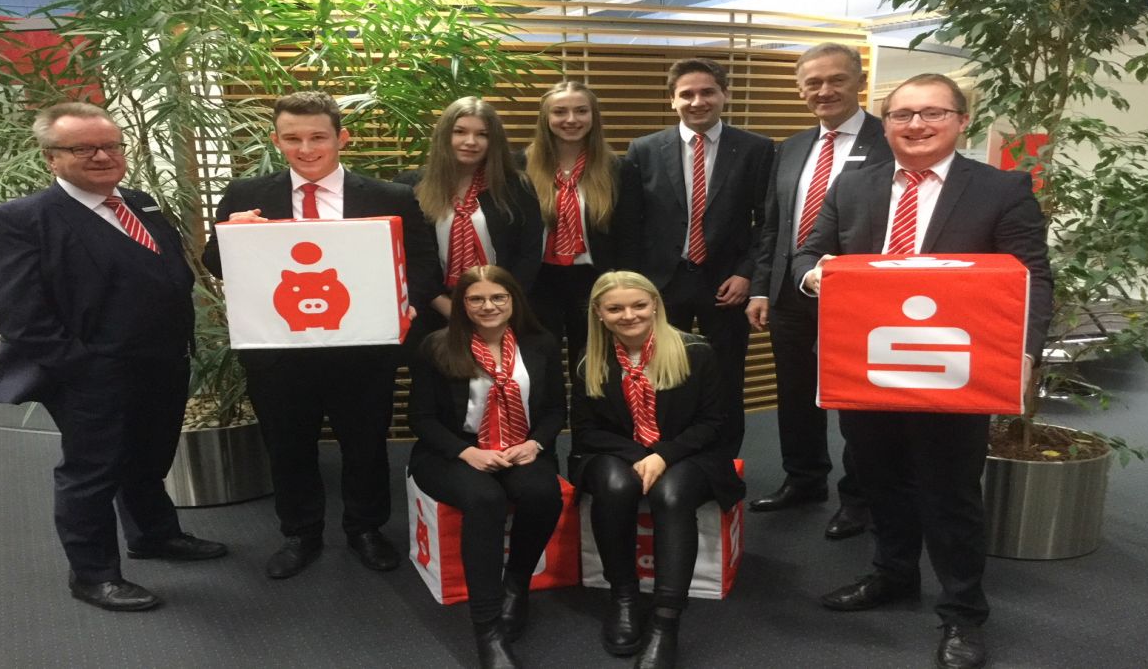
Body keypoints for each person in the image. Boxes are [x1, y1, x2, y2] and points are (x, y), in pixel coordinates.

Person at [794, 74, 1053, 669]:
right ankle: (893, 574)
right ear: (885, 124)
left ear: (962, 120)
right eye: (901, 115)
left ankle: (963, 614)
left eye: (932, 113)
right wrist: (815, 276)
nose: (915, 125)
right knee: (879, 480)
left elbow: (1031, 276)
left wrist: (1025, 355)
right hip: (867, 367)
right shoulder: (852, 186)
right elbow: (809, 254)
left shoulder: (1000, 188)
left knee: (950, 492)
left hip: (955, 369)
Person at [0, 102, 226, 611]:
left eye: (111, 145)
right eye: (83, 148)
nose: (101, 156)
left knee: (147, 459)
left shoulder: (139, 203)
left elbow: (167, 276)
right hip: (89, 372)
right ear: (51, 158)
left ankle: (154, 535)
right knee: (92, 471)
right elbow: (18, 311)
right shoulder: (19, 220)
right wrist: (81, 367)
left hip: (162, 362)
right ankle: (92, 575)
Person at [201, 91, 439, 579]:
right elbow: (213, 263)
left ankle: (366, 529)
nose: (306, 149)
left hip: (362, 349)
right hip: (277, 351)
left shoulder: (389, 196)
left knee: (366, 442)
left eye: (318, 137)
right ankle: (300, 533)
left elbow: (423, 265)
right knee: (288, 444)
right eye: (292, 138)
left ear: (341, 138)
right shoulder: (247, 194)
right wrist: (231, 233)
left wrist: (404, 304)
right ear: (276, 140)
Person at [745, 43, 892, 539]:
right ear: (800, 88)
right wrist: (763, 289)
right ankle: (804, 479)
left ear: (859, 82)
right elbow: (772, 227)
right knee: (795, 394)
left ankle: (860, 497)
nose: (824, 91)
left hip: (861, 299)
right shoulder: (787, 148)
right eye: (813, 83)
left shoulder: (890, 142)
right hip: (790, 293)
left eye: (836, 80)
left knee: (856, 404)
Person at [570, 270, 746, 669]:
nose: (628, 315)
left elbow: (713, 423)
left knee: (671, 494)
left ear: (655, 306)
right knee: (615, 486)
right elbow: (585, 431)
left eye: (639, 305)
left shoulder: (696, 351)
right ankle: (625, 598)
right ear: (599, 313)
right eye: (615, 308)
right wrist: (638, 453)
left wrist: (664, 454)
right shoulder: (588, 359)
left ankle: (666, 621)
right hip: (617, 450)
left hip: (688, 452)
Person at [408, 265, 564, 669]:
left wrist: (536, 444)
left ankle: (516, 584)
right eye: (475, 298)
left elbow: (554, 411)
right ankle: (488, 629)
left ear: (514, 301)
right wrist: (467, 454)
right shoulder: (436, 346)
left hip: (520, 447)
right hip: (452, 451)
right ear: (462, 305)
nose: (488, 306)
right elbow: (421, 419)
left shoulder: (541, 343)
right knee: (485, 499)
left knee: (542, 493)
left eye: (498, 297)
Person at [623, 58, 774, 458]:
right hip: (661, 286)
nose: (697, 101)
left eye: (707, 91)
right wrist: (639, 285)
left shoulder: (757, 149)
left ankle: (723, 464)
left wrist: (747, 275)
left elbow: (767, 222)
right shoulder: (644, 149)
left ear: (724, 94)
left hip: (727, 286)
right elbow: (631, 223)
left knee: (725, 379)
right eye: (686, 94)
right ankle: (665, 456)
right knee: (660, 376)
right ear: (672, 100)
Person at [395, 96, 545, 349]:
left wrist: (499, 302)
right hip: (433, 311)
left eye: (482, 134)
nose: (471, 142)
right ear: (444, 136)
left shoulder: (517, 187)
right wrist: (445, 305)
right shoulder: (410, 187)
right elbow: (409, 257)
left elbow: (529, 252)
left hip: (501, 309)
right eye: (460, 132)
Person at [521, 81, 642, 374]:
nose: (571, 120)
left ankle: (588, 420)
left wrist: (624, 284)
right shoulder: (521, 165)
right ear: (546, 119)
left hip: (596, 279)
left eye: (581, 111)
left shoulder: (617, 169)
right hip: (538, 280)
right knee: (539, 361)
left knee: (593, 362)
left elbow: (630, 235)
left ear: (593, 117)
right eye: (560, 112)